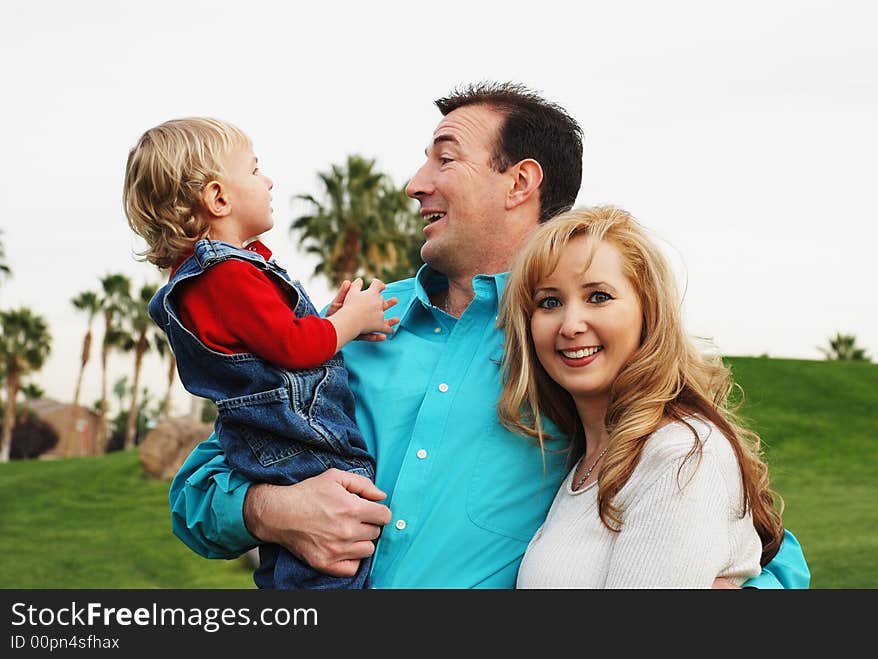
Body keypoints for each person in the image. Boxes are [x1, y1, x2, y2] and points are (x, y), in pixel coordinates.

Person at [168, 83, 810, 588]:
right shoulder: (353, 322)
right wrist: (271, 512)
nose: (415, 183)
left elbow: (739, 523)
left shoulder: (579, 352)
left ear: (520, 183)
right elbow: (197, 489)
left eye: (444, 158)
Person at [123, 117, 397, 589]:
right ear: (218, 198)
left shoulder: (204, 280)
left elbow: (277, 343)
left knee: (295, 567)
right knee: (332, 563)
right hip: (297, 437)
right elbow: (295, 347)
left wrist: (327, 321)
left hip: (264, 440)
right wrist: (352, 321)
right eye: (254, 170)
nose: (267, 181)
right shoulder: (229, 274)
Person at [499, 205, 786, 588]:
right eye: (550, 302)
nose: (570, 325)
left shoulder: (681, 454)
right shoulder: (584, 461)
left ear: (647, 311)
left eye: (598, 296)